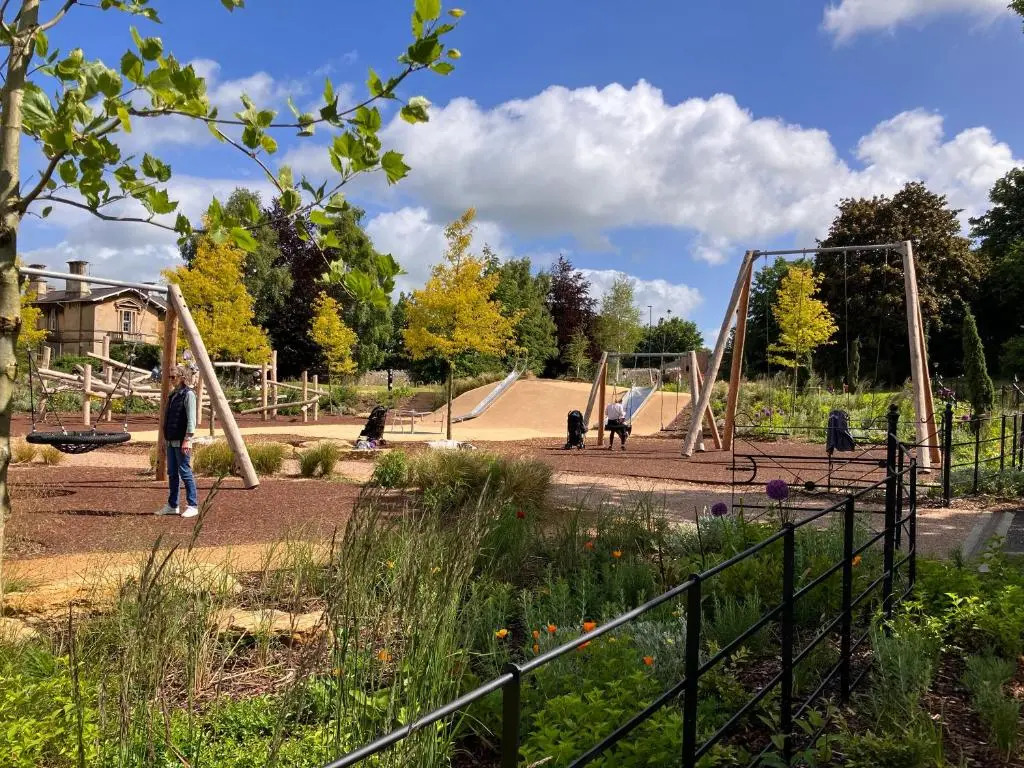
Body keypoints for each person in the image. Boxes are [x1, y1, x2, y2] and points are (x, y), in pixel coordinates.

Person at [156, 364, 199, 518]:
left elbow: (191, 419)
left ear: (182, 377)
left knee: (185, 472)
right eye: (169, 377)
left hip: (182, 440)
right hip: (171, 439)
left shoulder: (189, 394)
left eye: (173, 377)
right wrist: (165, 439)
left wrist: (188, 439)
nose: (171, 379)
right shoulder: (173, 394)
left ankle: (193, 505)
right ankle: (173, 505)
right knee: (173, 473)